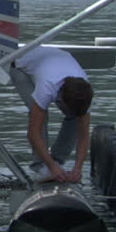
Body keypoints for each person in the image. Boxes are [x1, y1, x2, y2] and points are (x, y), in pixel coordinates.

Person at [10, 46, 94, 183]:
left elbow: (84, 135)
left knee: (75, 118)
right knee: (40, 116)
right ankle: (40, 167)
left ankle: (57, 161)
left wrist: (78, 168)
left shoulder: (84, 92)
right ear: (59, 99)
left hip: (54, 60)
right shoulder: (47, 88)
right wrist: (50, 166)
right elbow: (33, 133)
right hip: (20, 66)